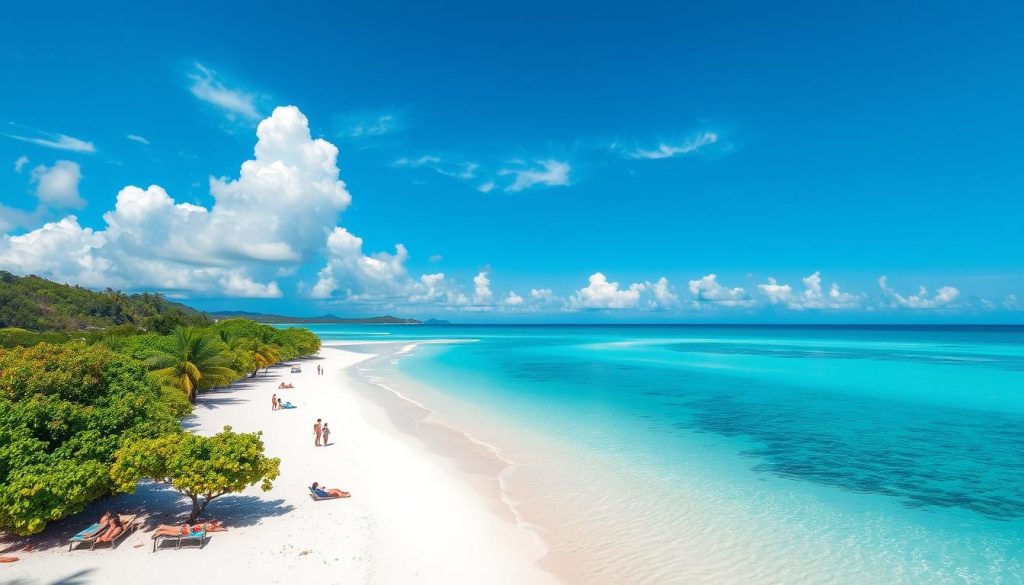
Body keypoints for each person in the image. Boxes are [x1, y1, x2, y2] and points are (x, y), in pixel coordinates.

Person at [151, 521, 227, 538]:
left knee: (173, 529)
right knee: (173, 531)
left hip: (188, 528)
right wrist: (223, 529)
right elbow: (218, 529)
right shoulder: (209, 526)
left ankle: (161, 528)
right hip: (188, 531)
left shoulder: (207, 524)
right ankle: (160, 532)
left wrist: (222, 528)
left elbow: (218, 529)